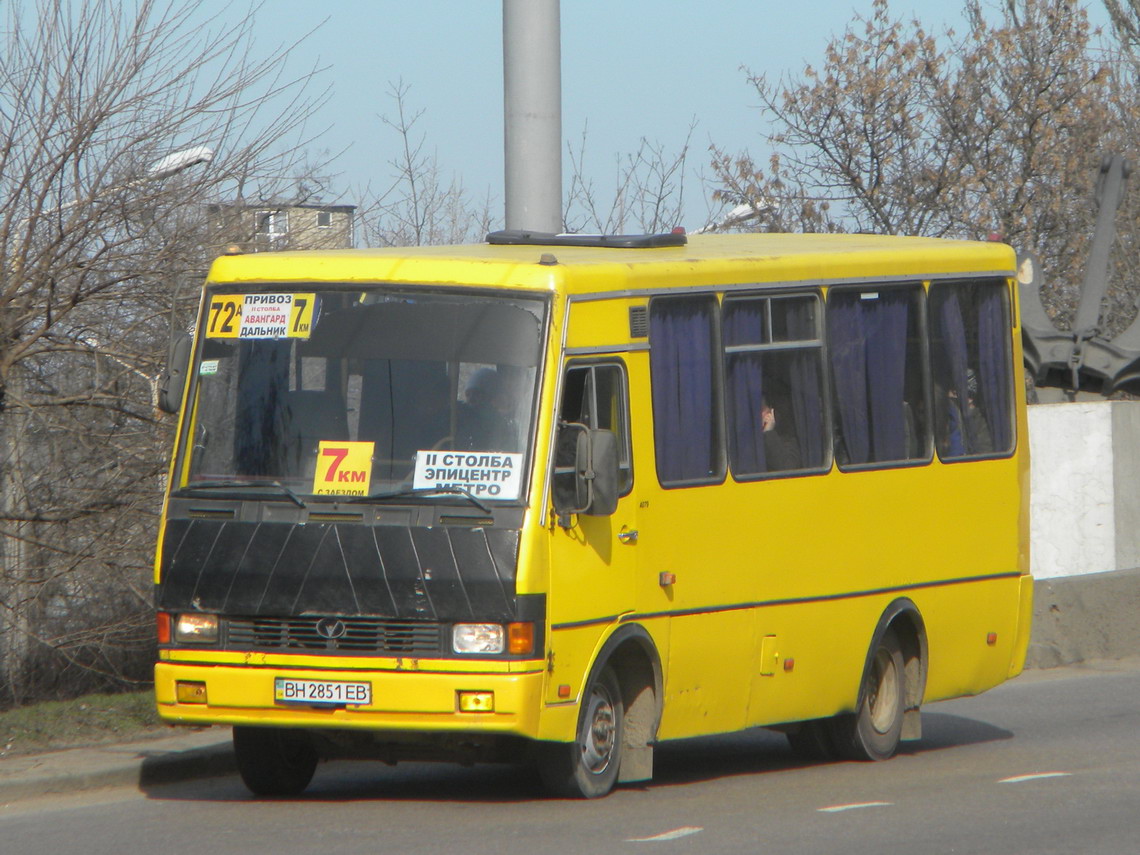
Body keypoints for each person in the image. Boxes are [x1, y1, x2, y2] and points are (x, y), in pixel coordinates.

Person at [457, 367, 516, 451]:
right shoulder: (460, 421)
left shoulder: (503, 426)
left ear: (492, 397)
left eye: (477, 394)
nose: (471, 399)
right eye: (468, 395)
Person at [761, 398, 801, 471]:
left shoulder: (787, 438)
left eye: (762, 410)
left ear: (771, 412)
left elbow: (788, 467)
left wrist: (769, 432)